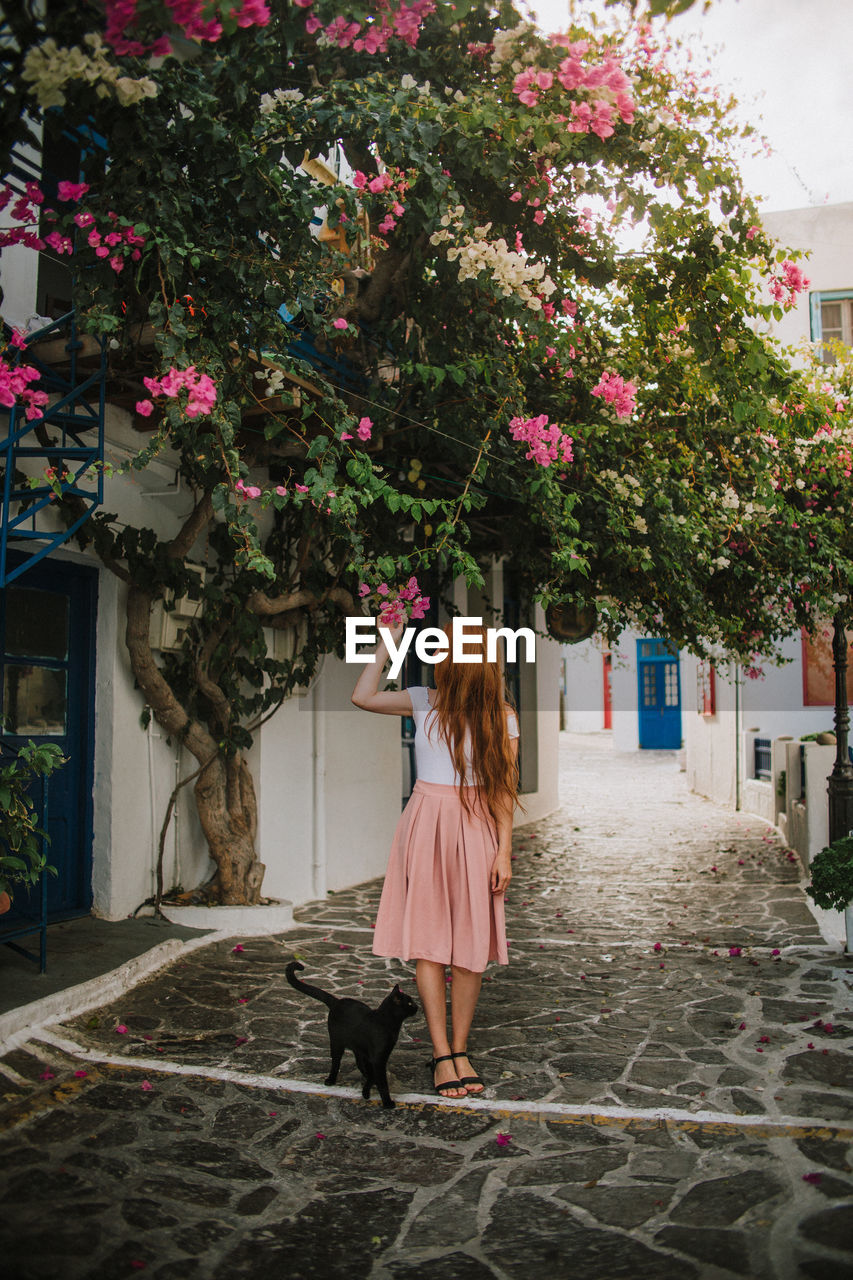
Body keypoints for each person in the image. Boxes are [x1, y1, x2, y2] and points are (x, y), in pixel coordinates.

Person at [351, 619, 519, 1099]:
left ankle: (460, 1049)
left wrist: (503, 851)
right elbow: (363, 696)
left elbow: (503, 790)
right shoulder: (423, 700)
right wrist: (387, 639)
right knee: (429, 943)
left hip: (476, 826)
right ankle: (442, 1054)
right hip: (426, 823)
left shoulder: (502, 716)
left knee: (470, 948)